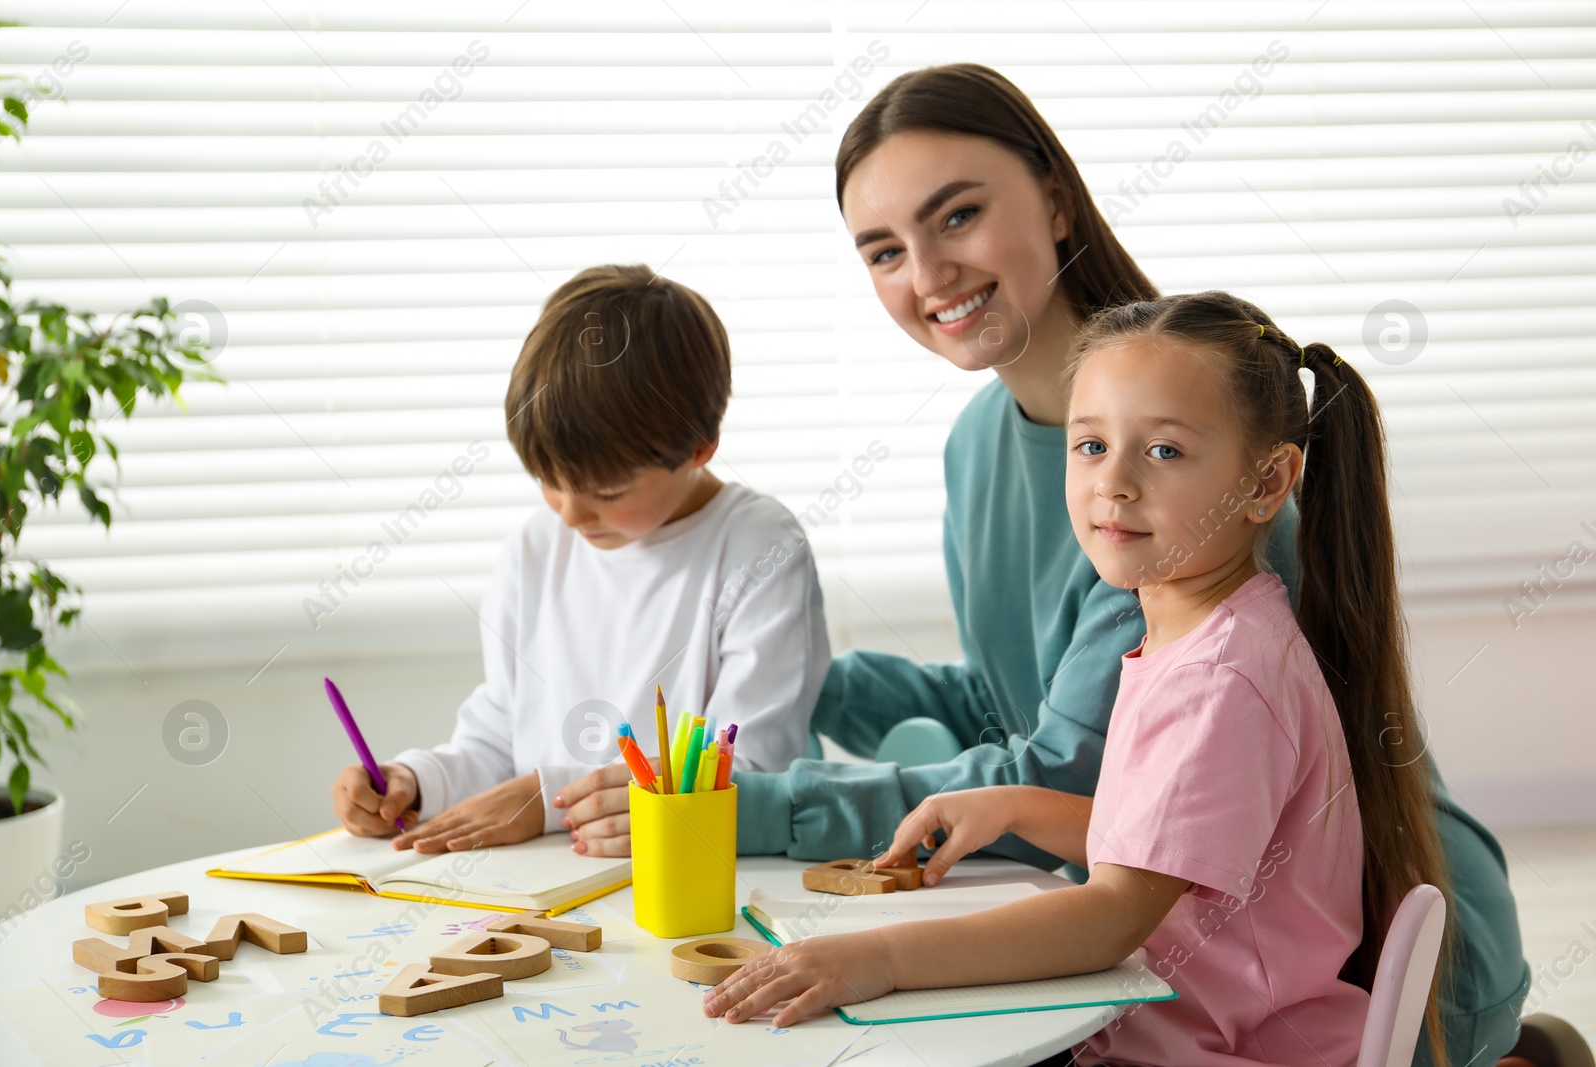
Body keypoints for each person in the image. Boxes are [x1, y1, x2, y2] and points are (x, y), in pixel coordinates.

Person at [550, 65, 1525, 1064]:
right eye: (884, 250)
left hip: (1369, 978)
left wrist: (761, 818)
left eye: (957, 215)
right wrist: (783, 669)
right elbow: (1018, 701)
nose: (927, 274)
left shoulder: (1201, 473)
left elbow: (1076, 784)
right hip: (1206, 952)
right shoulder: (991, 445)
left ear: (1056, 200)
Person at [703, 291, 1448, 1067]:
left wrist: (879, 958)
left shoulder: (1224, 678)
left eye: (1164, 451)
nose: (1114, 483)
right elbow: (1157, 847)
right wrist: (1016, 805)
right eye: (1090, 445)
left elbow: (1114, 913)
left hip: (1211, 1051)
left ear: (1266, 483)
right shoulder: (1202, 634)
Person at [329, 264, 829, 853]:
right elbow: (500, 737)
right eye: (547, 480)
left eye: (608, 493)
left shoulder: (759, 548)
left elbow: (746, 770)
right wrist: (414, 783)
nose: (568, 514)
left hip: (684, 880)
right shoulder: (536, 547)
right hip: (542, 878)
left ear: (699, 448)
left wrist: (547, 798)